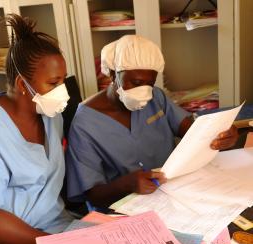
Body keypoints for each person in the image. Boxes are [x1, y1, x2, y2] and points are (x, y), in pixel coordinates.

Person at [66, 35, 238, 209]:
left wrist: (222, 134)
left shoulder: (156, 97)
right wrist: (127, 184)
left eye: (150, 83)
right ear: (113, 74)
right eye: (136, 82)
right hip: (123, 207)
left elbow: (193, 132)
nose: (145, 92)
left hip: (173, 193)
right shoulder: (85, 124)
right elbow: (93, 196)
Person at [0, 14, 73, 244]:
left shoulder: (49, 115)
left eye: (63, 81)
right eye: (53, 83)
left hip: (52, 229)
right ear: (24, 86)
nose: (63, 93)